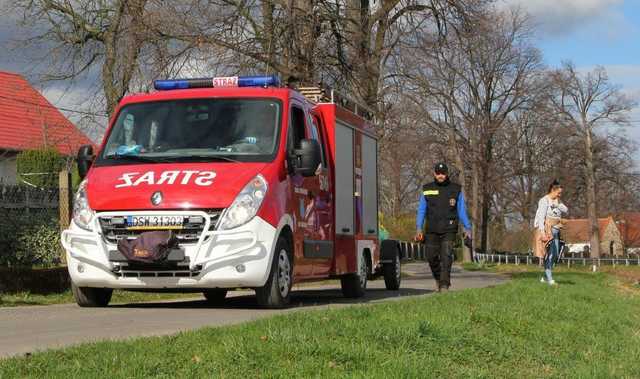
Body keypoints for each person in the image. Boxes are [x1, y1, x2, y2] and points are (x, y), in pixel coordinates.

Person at [415, 163, 472, 292]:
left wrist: (467, 228)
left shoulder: (455, 189)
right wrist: (418, 228)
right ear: (434, 174)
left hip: (449, 229)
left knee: (446, 256)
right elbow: (421, 210)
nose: (440, 176)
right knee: (431, 257)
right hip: (431, 229)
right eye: (438, 173)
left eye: (443, 173)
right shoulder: (427, 189)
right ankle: (439, 279)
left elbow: (461, 210)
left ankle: (444, 285)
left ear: (447, 174)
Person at [533, 179, 568, 285]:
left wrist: (558, 204)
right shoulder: (544, 201)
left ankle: (544, 276)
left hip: (557, 230)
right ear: (553, 190)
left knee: (556, 254)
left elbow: (566, 210)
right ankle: (550, 279)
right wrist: (542, 233)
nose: (560, 195)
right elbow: (540, 217)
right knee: (551, 254)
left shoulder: (558, 201)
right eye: (558, 192)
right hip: (548, 231)